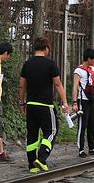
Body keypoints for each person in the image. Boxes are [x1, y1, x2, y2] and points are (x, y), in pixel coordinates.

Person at [18, 37, 71, 174]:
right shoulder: (50, 64)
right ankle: (42, 157)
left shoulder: (27, 64)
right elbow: (58, 84)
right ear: (46, 49)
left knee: (32, 135)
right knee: (51, 131)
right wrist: (65, 102)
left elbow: (22, 86)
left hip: (31, 105)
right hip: (45, 105)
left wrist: (21, 102)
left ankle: (32, 165)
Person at [73, 48, 94, 157]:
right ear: (88, 59)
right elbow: (75, 86)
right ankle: (81, 149)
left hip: (91, 99)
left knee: (92, 124)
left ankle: (92, 147)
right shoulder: (78, 71)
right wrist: (74, 102)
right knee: (83, 125)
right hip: (82, 100)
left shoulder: (92, 68)